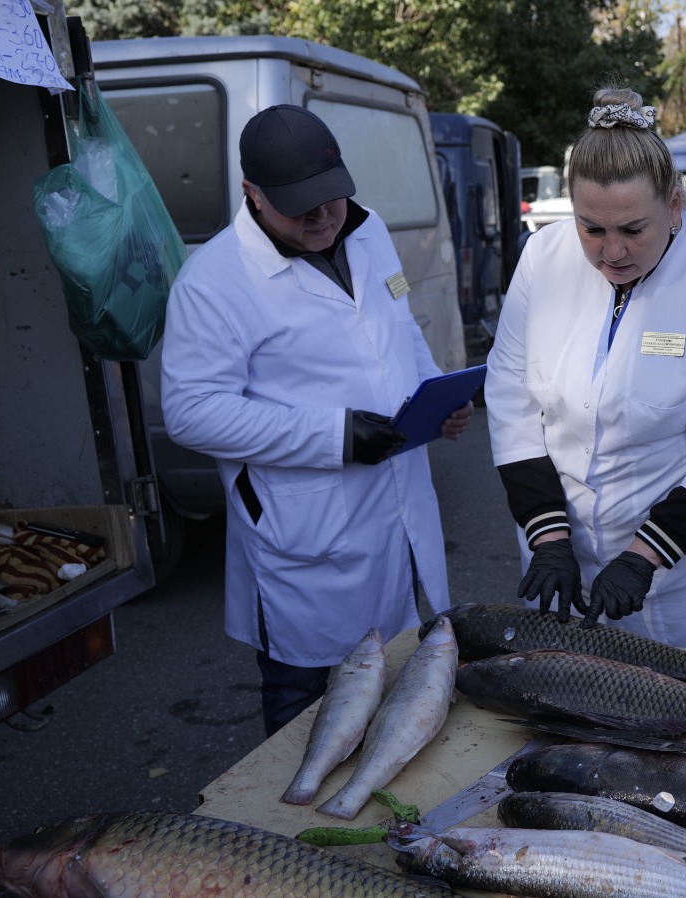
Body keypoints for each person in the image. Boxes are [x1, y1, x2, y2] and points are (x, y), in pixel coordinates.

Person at [161, 104, 473, 736]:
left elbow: (397, 327)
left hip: (396, 496)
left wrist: (435, 395)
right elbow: (190, 412)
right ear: (251, 193)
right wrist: (332, 435)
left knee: (401, 682)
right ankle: (290, 827)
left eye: (331, 198)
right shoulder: (214, 281)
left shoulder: (368, 230)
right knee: (306, 706)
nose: (323, 217)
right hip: (305, 526)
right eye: (300, 205)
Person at [484, 87, 686, 654]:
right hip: (564, 551)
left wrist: (646, 556)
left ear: (674, 206)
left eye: (633, 230)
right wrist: (547, 534)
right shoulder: (543, 259)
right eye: (591, 228)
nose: (611, 252)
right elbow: (512, 401)